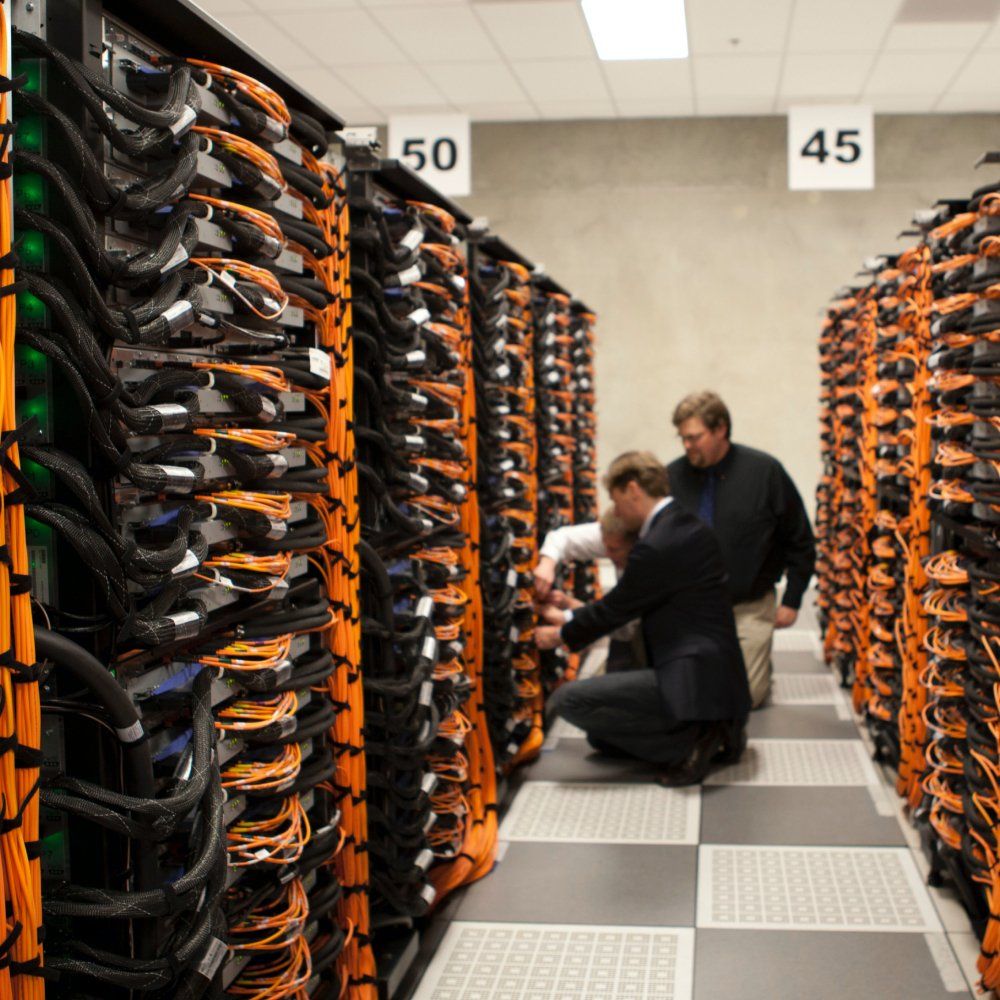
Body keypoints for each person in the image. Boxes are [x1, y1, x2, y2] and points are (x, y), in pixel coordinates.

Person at [536, 451, 751, 786]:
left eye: (616, 499)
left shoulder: (658, 544)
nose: (616, 510)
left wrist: (559, 635)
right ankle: (713, 727)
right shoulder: (685, 524)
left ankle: (695, 741)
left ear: (633, 489)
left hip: (690, 673)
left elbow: (616, 609)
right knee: (601, 739)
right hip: (716, 673)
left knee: (568, 700)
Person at [668, 391, 815, 708]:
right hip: (687, 607)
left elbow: (799, 538)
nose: (688, 446)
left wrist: (792, 599)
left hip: (748, 606)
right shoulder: (672, 477)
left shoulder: (765, 472)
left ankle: (744, 662)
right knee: (666, 684)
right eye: (683, 439)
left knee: (745, 695)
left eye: (695, 437)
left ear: (720, 429)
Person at [534, 508, 642, 672]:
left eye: (612, 550)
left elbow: (625, 627)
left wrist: (563, 626)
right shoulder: (614, 535)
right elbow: (563, 537)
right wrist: (547, 564)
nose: (607, 555)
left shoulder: (648, 566)